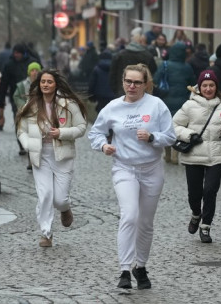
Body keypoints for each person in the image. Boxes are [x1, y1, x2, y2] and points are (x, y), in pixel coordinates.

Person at [87, 63, 176, 289]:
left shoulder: (156, 106)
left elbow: (171, 136)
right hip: (124, 167)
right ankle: (125, 270)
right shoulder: (113, 107)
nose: (132, 86)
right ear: (123, 82)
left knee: (145, 222)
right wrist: (103, 146)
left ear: (146, 84)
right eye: (128, 81)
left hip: (151, 169)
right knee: (129, 215)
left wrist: (153, 137)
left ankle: (141, 267)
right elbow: (95, 133)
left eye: (137, 82)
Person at [17, 70, 89, 247]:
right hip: (40, 155)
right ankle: (46, 233)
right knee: (45, 194)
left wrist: (61, 133)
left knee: (60, 199)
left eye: (49, 81)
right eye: (43, 82)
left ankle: (65, 208)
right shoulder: (31, 104)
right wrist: (27, 144)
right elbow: (21, 130)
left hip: (62, 155)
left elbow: (81, 127)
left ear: (56, 84)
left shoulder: (67, 104)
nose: (46, 85)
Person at [172, 69, 221, 243]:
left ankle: (206, 226)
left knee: (210, 191)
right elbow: (175, 125)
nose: (208, 89)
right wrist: (189, 135)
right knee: (195, 193)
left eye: (211, 85)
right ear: (199, 87)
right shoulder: (189, 105)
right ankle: (196, 214)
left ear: (216, 87)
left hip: (217, 156)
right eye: (205, 85)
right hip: (194, 155)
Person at [110, 31, 158, 96]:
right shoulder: (147, 56)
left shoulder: (120, 55)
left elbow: (113, 74)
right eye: (145, 42)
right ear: (141, 42)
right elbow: (153, 73)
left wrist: (115, 89)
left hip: (122, 90)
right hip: (142, 91)